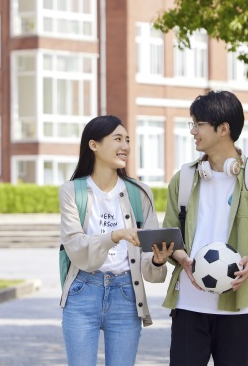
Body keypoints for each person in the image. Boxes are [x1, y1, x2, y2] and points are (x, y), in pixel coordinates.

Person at [162, 90, 248, 365]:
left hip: (238, 307)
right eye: (191, 124)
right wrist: (179, 256)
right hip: (189, 305)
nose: (192, 131)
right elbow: (170, 236)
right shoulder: (182, 180)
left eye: (198, 124)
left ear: (223, 128)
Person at [59, 115, 173, 366]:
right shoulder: (72, 191)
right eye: (118, 139)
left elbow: (148, 261)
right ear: (94, 145)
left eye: (128, 140)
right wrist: (115, 236)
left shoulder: (139, 192)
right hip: (82, 291)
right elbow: (76, 247)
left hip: (126, 293)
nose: (125, 146)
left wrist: (156, 261)